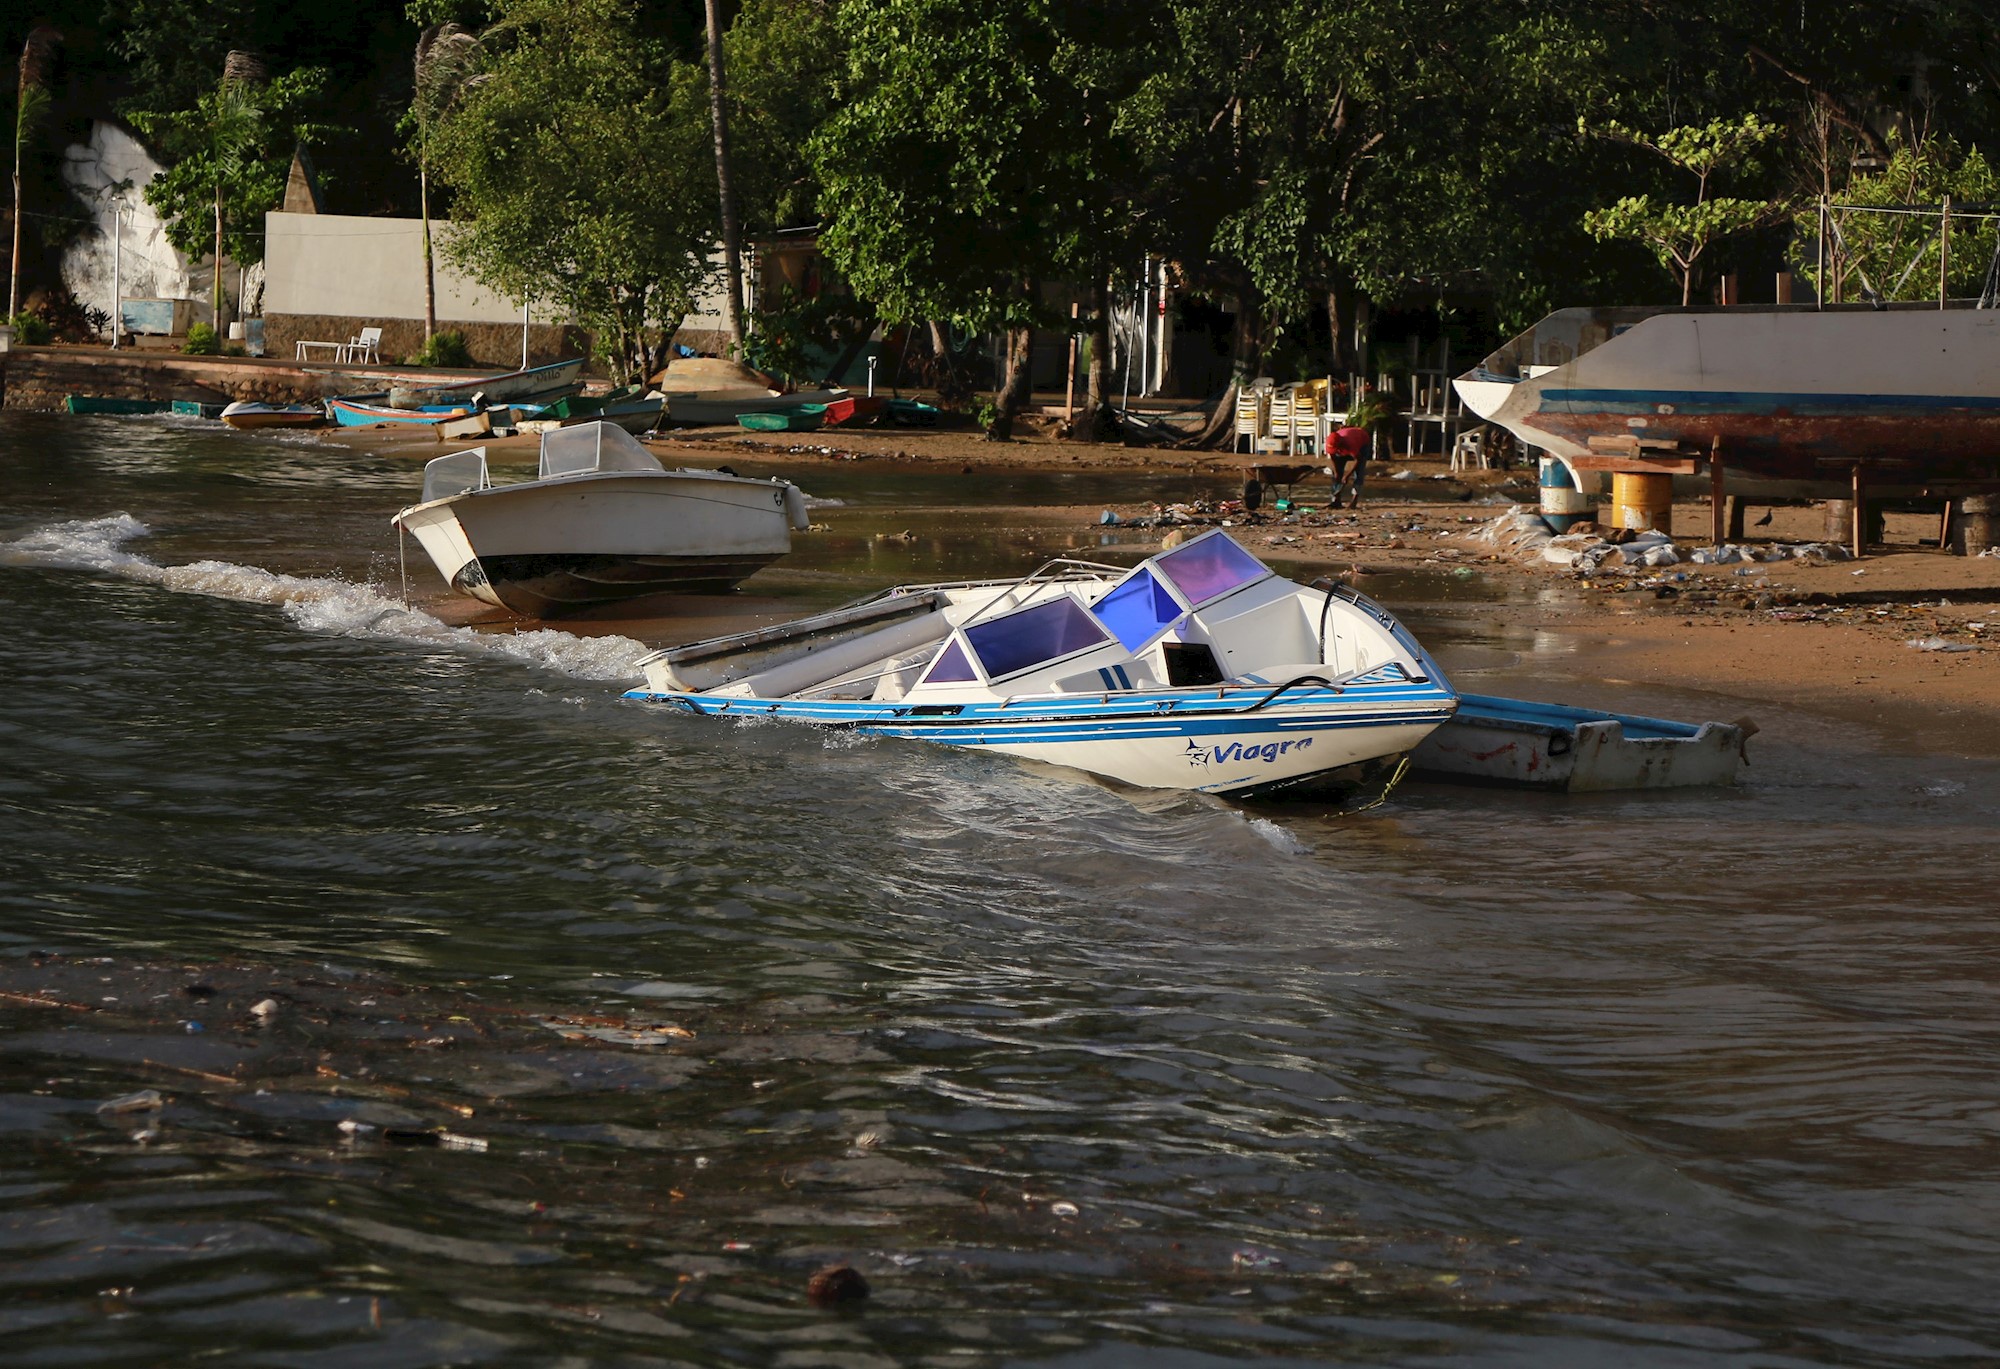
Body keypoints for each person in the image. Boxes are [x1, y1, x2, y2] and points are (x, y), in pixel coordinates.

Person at [1326, 425, 1371, 509]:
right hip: (1344, 446)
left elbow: (1358, 460)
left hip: (1362, 442)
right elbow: (1332, 456)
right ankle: (1336, 500)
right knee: (1336, 475)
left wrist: (1347, 475)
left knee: (1359, 472)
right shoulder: (1329, 443)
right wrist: (1336, 472)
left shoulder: (1350, 444)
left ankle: (1354, 500)